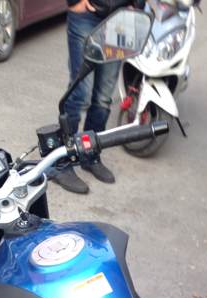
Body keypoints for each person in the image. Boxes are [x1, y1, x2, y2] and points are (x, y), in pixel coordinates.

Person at [54, 0, 140, 194]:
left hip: (121, 20)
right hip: (86, 16)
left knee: (103, 96)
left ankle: (90, 153)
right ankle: (61, 161)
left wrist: (137, 4)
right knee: (80, 93)